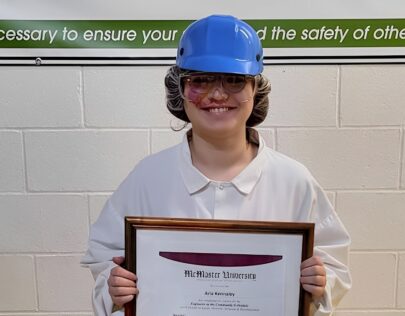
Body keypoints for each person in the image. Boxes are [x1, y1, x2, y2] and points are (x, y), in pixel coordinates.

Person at [81, 14, 351, 316]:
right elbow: (104, 257)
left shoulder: (293, 181)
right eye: (200, 80)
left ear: (255, 89)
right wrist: (114, 286)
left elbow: (333, 265)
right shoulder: (148, 177)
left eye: (235, 79)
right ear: (180, 90)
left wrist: (320, 283)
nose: (218, 94)